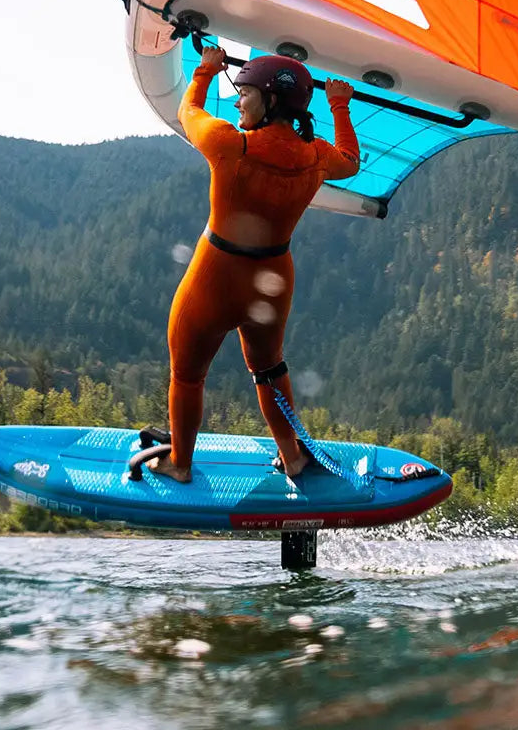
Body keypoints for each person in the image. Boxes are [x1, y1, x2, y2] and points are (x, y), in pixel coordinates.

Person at [147, 44, 360, 482]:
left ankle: (180, 463)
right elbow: (352, 163)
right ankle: (292, 456)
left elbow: (187, 111)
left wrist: (206, 72)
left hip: (216, 274)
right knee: (268, 369)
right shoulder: (317, 156)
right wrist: (340, 105)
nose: (239, 100)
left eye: (245, 92)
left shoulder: (230, 144)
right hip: (271, 281)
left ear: (269, 100)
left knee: (187, 375)